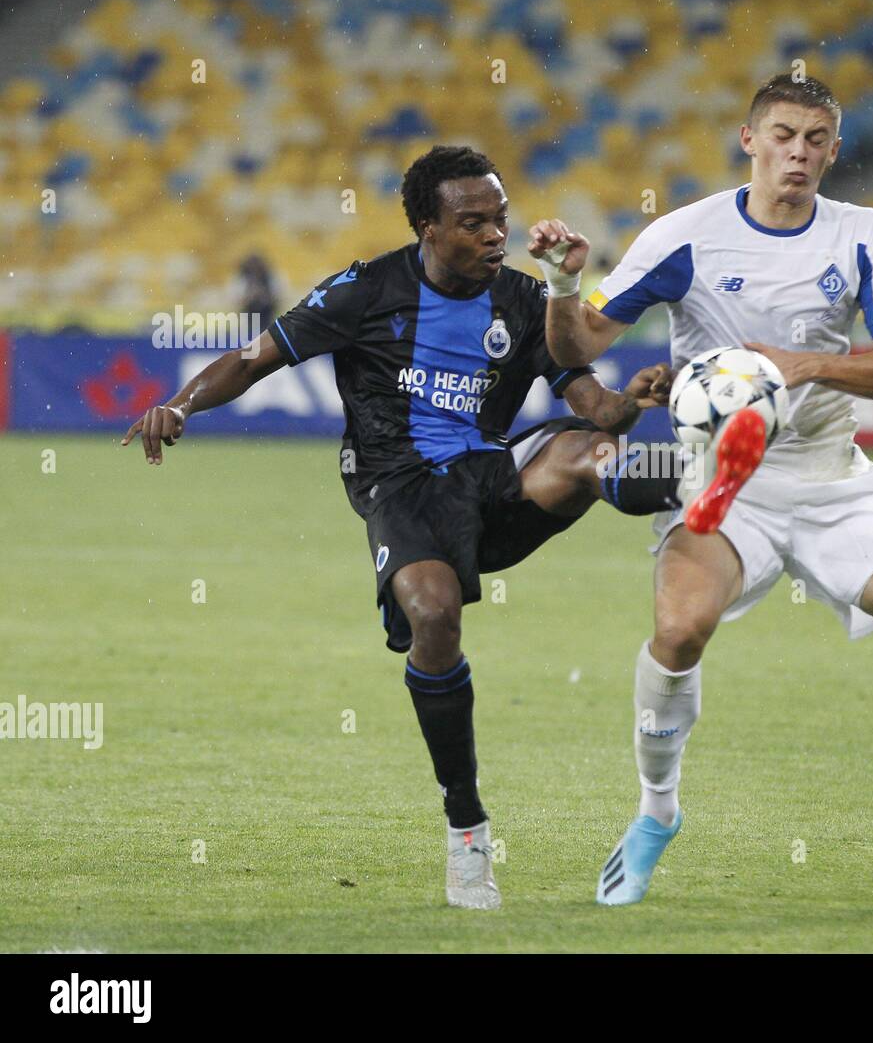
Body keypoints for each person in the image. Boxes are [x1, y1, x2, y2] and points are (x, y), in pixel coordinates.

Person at [122, 145, 714, 910]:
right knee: (433, 615)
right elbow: (253, 357)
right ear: (429, 229)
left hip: (491, 480)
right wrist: (183, 405)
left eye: (501, 218)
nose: (495, 235)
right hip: (397, 484)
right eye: (473, 223)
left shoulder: (527, 302)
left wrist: (633, 403)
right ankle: (467, 829)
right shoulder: (368, 290)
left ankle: (718, 483)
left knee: (590, 453)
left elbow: (594, 405)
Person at [531, 74, 873, 905]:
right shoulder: (686, 236)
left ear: (834, 150)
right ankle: (656, 815)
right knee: (679, 629)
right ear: (749, 139)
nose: (800, 153)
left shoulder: (861, 234)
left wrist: (808, 365)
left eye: (816, 140)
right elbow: (577, 341)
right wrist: (555, 280)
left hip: (833, 478)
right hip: (728, 481)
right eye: (785, 135)